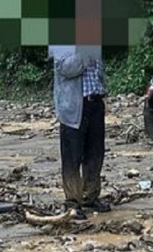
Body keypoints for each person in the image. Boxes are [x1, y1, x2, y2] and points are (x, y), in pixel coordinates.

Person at [50, 45, 111, 219]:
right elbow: (65, 68)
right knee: (72, 157)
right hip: (73, 107)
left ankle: (91, 197)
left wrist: (104, 94)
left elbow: (99, 72)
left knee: (95, 154)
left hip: (95, 104)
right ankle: (73, 203)